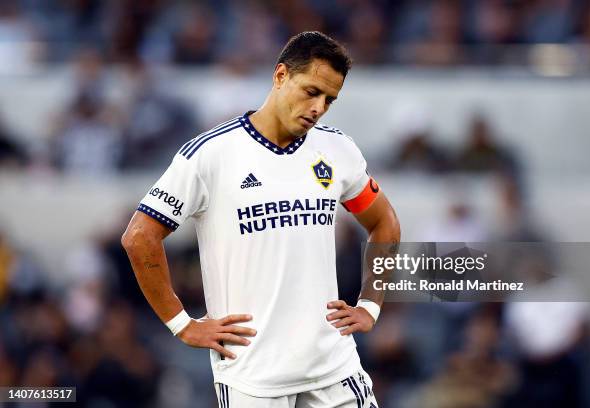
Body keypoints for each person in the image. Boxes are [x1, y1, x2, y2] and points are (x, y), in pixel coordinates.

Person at [121, 31, 400, 408]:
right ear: (281, 75)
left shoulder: (337, 150)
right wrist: (182, 323)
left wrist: (370, 305)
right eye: (311, 91)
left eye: (329, 100)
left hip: (335, 369)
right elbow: (139, 237)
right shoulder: (211, 154)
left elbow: (385, 223)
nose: (319, 107)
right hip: (252, 377)